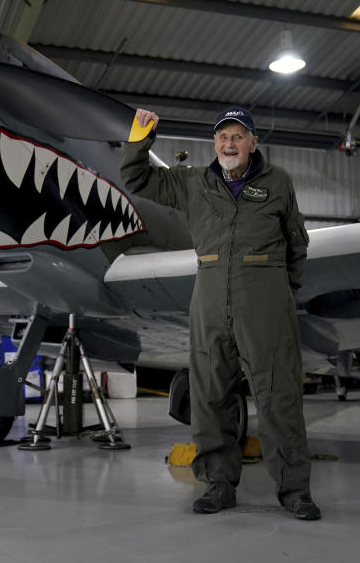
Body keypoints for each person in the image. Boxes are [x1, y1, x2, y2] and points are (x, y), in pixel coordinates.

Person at [120, 107, 320, 520]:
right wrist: (140, 138)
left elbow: (296, 244)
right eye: (222, 137)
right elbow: (136, 178)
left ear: (252, 142)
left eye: (237, 136)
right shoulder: (194, 182)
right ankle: (217, 484)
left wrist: (283, 291)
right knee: (210, 394)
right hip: (208, 295)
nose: (229, 144)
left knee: (278, 395)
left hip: (264, 298)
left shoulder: (277, 181)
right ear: (215, 143)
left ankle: (295, 490)